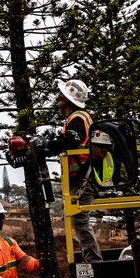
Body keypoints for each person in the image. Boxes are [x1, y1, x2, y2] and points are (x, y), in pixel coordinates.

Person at [40, 77, 102, 263]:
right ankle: (91, 258)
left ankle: (93, 261)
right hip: (81, 179)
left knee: (80, 222)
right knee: (78, 221)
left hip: (83, 180)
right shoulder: (78, 119)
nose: (57, 101)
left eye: (59, 97)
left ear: (65, 101)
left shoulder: (77, 119)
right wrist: (49, 146)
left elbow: (70, 141)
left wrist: (49, 145)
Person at [89, 130, 115, 194]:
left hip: (108, 197)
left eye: (107, 146)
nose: (104, 149)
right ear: (92, 146)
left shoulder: (109, 157)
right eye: (101, 146)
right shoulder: (84, 162)